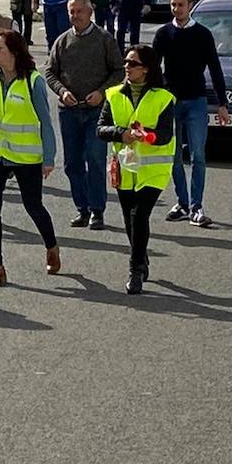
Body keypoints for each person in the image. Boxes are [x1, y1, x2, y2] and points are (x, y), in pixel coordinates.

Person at [0, 30, 60, 287]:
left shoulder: (33, 81)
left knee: (33, 206)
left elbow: (45, 121)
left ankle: (51, 246)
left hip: (24, 156)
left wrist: (48, 157)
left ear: (14, 52)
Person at [97, 45, 177, 295]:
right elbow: (100, 129)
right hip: (124, 167)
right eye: (126, 63)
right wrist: (121, 133)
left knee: (139, 215)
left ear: (146, 69)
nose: (127, 68)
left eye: (133, 64)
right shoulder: (113, 94)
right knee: (128, 218)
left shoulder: (163, 97)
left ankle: (136, 269)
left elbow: (165, 135)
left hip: (153, 170)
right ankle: (141, 257)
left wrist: (147, 137)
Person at [153, 0, 230, 227]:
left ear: (190, 5)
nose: (176, 9)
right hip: (171, 102)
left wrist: (222, 103)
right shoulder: (163, 34)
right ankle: (182, 202)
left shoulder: (202, 34)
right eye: (173, 5)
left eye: (180, 5)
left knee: (198, 156)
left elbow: (215, 69)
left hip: (196, 101)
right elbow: (153, 70)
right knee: (174, 157)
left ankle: (197, 206)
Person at [46, 0, 124, 230]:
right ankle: (82, 208)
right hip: (69, 111)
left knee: (95, 159)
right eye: (71, 11)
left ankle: (97, 211)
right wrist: (61, 92)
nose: (75, 16)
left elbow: (119, 71)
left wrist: (102, 92)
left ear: (90, 13)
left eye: (79, 11)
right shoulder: (62, 41)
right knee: (72, 164)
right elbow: (50, 73)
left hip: (96, 112)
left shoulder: (104, 39)